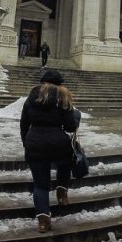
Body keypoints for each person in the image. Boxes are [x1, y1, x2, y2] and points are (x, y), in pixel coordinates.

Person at [19, 69, 81, 233]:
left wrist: (26, 142)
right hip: (57, 141)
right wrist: (75, 116)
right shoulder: (63, 96)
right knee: (65, 163)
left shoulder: (32, 96)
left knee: (40, 185)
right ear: (60, 84)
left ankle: (43, 221)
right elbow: (69, 126)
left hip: (34, 141)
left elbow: (24, 123)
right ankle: (62, 190)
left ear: (42, 82)